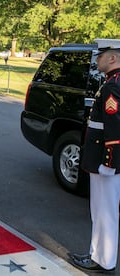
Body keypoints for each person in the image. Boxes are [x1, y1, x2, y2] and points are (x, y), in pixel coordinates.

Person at [68, 39, 120, 273]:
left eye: (100, 56)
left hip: (106, 161)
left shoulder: (113, 85)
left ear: (113, 58)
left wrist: (109, 163)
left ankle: (103, 260)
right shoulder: (111, 82)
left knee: (104, 212)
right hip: (103, 160)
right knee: (101, 211)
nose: (96, 60)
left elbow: (115, 128)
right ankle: (96, 254)